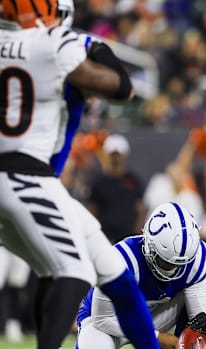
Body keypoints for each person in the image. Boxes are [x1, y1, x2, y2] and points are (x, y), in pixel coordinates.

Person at [0, 1, 160, 348]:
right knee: (74, 272)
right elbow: (123, 88)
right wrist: (95, 46)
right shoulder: (53, 46)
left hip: (36, 182)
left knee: (117, 278)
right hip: (27, 177)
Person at [76, 202, 206, 349]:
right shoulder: (122, 258)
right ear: (149, 246)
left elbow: (200, 317)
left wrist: (204, 323)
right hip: (109, 319)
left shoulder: (196, 258)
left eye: (181, 264)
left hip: (152, 313)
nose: (174, 269)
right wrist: (157, 337)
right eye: (166, 262)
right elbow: (102, 319)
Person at [88, 134, 146, 243]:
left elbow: (141, 208)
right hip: (105, 239)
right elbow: (93, 210)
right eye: (112, 155)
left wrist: (138, 233)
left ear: (124, 155)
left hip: (128, 239)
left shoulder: (133, 180)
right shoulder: (99, 182)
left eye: (118, 155)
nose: (115, 158)